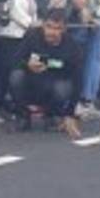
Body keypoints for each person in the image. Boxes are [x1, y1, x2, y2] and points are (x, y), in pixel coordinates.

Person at [10, 7, 83, 138]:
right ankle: (23, 116)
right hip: (32, 82)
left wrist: (69, 113)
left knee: (63, 88)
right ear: (43, 25)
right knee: (16, 76)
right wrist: (26, 64)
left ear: (64, 29)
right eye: (48, 27)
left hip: (55, 84)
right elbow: (14, 59)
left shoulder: (72, 46)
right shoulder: (32, 36)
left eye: (57, 28)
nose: (51, 32)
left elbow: (78, 79)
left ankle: (52, 115)